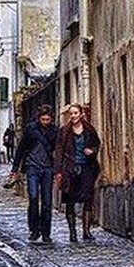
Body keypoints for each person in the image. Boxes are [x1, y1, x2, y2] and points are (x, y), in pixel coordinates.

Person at [9, 104, 57, 243]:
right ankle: (34, 229)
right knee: (34, 197)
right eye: (43, 119)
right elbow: (22, 148)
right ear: (39, 118)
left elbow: (58, 150)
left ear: (51, 119)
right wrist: (15, 168)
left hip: (48, 168)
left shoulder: (55, 131)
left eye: (48, 119)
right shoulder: (31, 129)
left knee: (47, 202)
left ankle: (46, 232)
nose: (45, 122)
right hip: (32, 167)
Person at [54, 102, 101, 243]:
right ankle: (72, 232)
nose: (73, 116)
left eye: (76, 113)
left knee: (88, 197)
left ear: (81, 114)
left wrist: (92, 151)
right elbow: (59, 151)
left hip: (87, 166)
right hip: (70, 169)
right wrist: (58, 171)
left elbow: (96, 143)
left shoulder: (89, 129)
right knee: (70, 200)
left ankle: (86, 231)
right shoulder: (64, 131)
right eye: (71, 113)